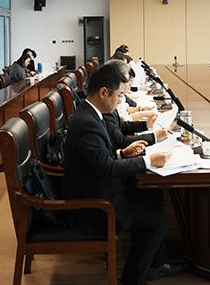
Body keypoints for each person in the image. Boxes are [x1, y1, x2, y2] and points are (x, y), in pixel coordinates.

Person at [63, 62, 184, 284]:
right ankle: (132, 280)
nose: (121, 101)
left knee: (154, 197)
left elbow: (100, 159)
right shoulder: (87, 123)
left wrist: (122, 153)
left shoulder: (91, 113)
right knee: (160, 221)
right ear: (103, 92)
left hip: (101, 190)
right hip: (96, 206)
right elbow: (107, 169)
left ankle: (155, 264)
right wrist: (148, 161)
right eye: (119, 95)